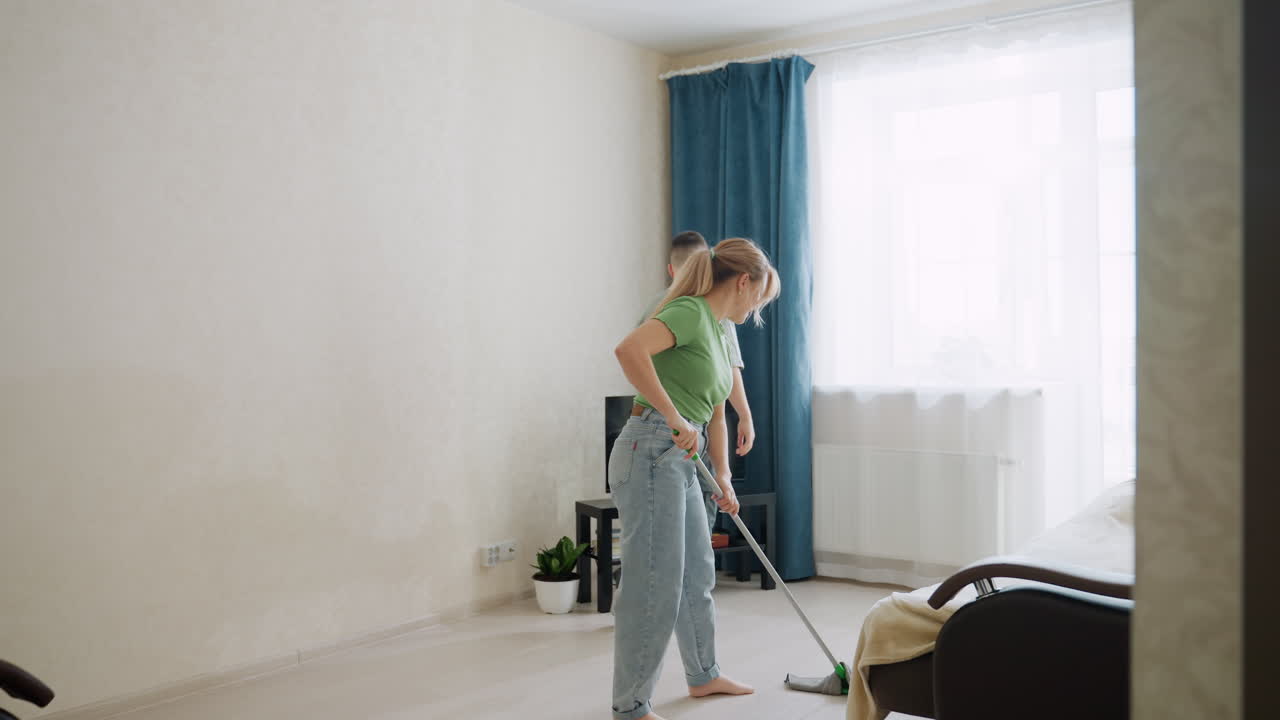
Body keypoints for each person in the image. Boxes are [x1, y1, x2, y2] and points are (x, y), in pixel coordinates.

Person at [609, 237, 781, 720]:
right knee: (653, 585)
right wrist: (673, 417)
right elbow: (628, 352)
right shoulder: (687, 311)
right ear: (743, 282)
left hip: (685, 458)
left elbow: (715, 411)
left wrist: (722, 475)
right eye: (759, 298)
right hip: (651, 452)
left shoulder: (717, 326)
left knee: (696, 575)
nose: (757, 309)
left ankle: (703, 674)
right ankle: (631, 706)